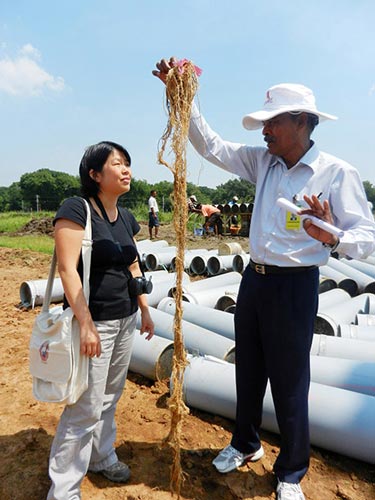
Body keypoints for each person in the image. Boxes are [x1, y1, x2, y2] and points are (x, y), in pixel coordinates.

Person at [153, 59, 375, 500]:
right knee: (248, 370)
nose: (264, 130)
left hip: (295, 287)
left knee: (291, 381)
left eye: (272, 121)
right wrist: (186, 98)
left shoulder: (336, 173)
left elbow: (365, 240)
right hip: (253, 281)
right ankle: (244, 442)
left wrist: (329, 233)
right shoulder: (263, 163)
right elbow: (211, 146)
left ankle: (291, 470)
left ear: (303, 122)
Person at [47, 141, 154, 500]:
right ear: (95, 174)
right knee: (84, 406)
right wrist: (87, 323)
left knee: (110, 395)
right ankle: (63, 489)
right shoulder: (77, 209)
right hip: (95, 322)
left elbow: (132, 263)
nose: (126, 170)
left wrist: (144, 308)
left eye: (128, 163)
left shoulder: (125, 216)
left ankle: (101, 455)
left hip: (124, 319)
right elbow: (67, 269)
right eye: (116, 164)